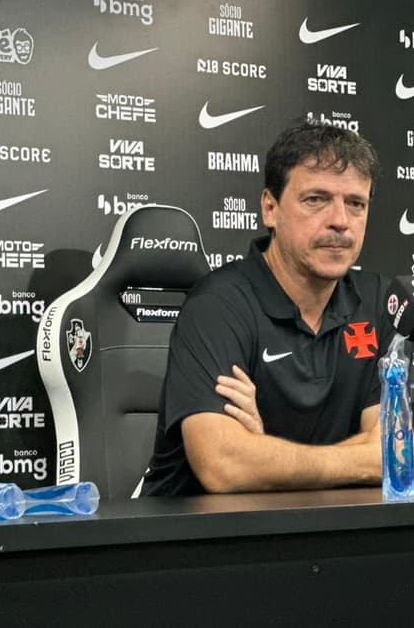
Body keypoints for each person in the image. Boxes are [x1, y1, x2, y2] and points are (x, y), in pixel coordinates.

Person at [141, 121, 394, 496]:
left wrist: (266, 454)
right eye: (316, 199)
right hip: (200, 544)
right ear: (270, 208)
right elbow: (223, 464)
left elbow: (402, 451)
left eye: (356, 203)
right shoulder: (219, 306)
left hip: (323, 538)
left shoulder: (378, 301)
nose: (341, 221)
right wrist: (364, 458)